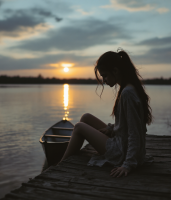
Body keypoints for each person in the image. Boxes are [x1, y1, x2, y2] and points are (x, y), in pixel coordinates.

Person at [58, 49, 154, 178]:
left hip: (121, 152)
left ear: (115, 71)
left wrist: (128, 164)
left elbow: (134, 132)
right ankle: (66, 157)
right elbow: (128, 124)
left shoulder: (127, 93)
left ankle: (60, 164)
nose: (104, 80)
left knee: (79, 127)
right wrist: (112, 128)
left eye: (105, 76)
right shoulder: (128, 88)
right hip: (121, 142)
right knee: (86, 117)